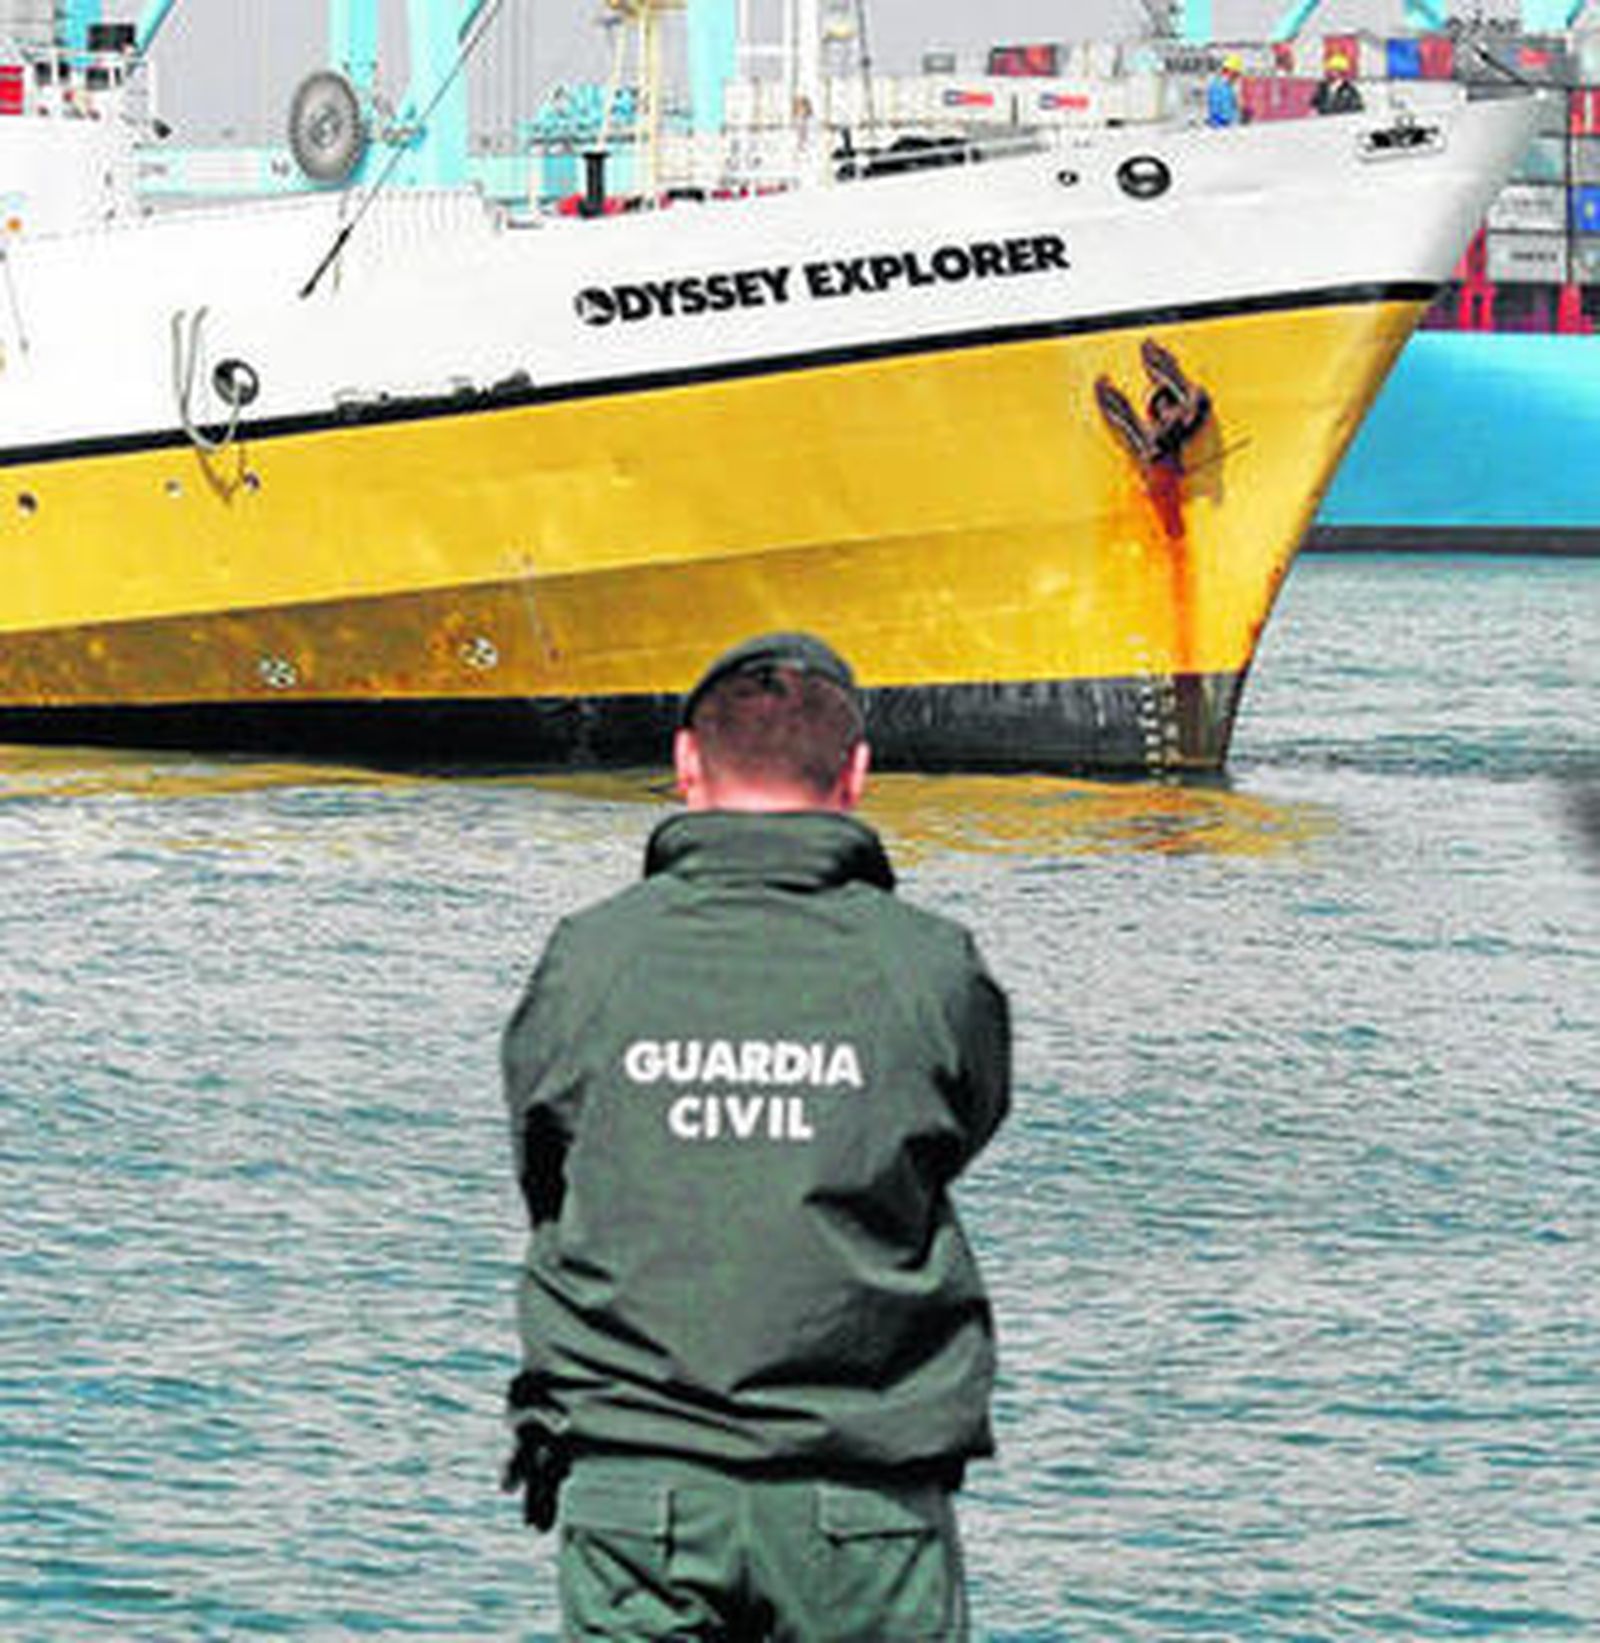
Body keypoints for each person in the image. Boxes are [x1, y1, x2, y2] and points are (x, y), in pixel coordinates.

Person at [500, 632, 1012, 1641]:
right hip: (859, 1495)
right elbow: (959, 1127)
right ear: (856, 774)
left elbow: (547, 1166)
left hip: (638, 1492)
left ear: (685, 764)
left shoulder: (592, 955)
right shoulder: (929, 966)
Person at [1312, 51, 1363, 115]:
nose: (1330, 73)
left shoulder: (1349, 90)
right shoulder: (1322, 87)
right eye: (1329, 70)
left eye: (1333, 70)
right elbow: (1314, 105)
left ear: (1341, 71)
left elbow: (1357, 109)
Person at [1206, 53, 1245, 128]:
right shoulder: (1217, 86)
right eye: (1235, 74)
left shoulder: (1229, 87)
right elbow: (1215, 107)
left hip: (1230, 124)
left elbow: (1234, 106)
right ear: (1229, 71)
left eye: (1237, 75)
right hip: (1221, 124)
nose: (1236, 78)